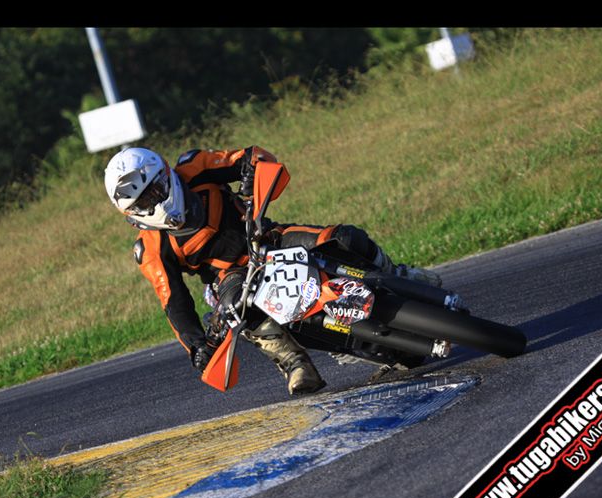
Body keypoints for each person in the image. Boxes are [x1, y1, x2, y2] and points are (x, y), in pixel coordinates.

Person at [104, 146, 441, 395]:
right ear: (132, 213)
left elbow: (248, 156)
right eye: (143, 203)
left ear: (166, 175)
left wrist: (251, 172)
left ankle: (397, 274)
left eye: (155, 190)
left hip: (266, 237)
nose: (155, 203)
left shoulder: (195, 167)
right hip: (230, 277)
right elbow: (173, 302)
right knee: (235, 310)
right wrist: (197, 347)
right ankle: (294, 362)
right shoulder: (149, 248)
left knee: (342, 237)